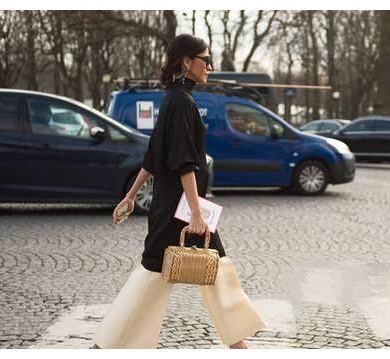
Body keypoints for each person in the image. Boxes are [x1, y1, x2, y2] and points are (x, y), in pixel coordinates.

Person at [90, 34, 267, 349]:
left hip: (175, 206)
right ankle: (107, 345)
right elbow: (182, 162)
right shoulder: (181, 102)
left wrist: (130, 196)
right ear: (187, 62)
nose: (210, 66)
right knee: (161, 275)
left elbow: (153, 156)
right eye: (205, 59)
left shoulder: (173, 99)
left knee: (212, 268)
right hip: (181, 209)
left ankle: (238, 344)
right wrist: (196, 213)